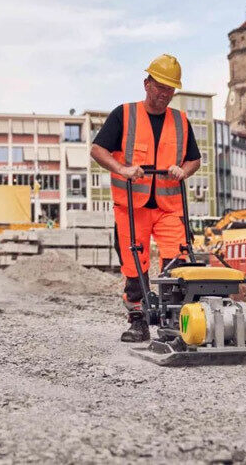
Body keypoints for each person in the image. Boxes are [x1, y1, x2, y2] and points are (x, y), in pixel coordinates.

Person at [90, 54, 202, 342]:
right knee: (133, 265)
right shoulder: (124, 114)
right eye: (160, 86)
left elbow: (194, 160)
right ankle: (137, 321)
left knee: (176, 262)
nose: (164, 93)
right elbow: (98, 150)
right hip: (132, 206)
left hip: (169, 207)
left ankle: (173, 321)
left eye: (170, 89)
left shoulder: (180, 121)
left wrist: (182, 171)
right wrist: (122, 169)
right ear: (147, 83)